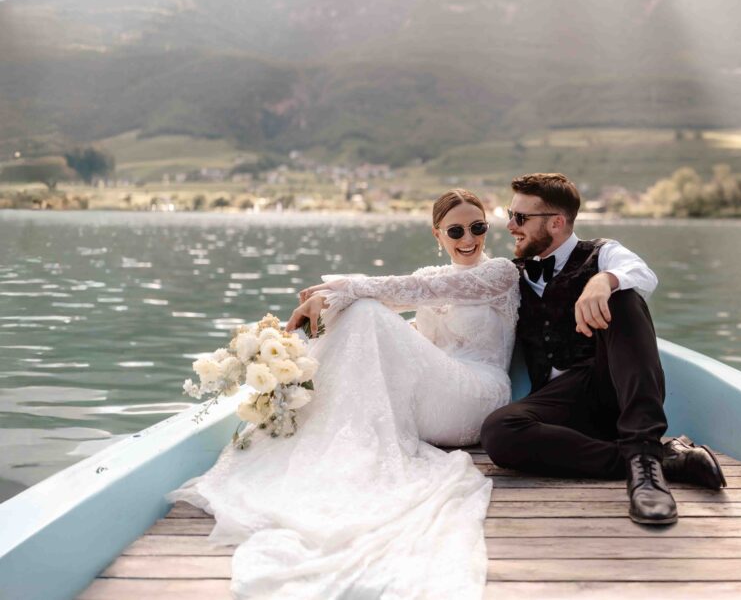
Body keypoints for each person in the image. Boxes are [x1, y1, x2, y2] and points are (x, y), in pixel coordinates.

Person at [168, 189, 519, 599]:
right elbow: (410, 328)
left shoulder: (500, 273)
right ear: (437, 234)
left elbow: (407, 293)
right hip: (437, 396)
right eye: (455, 230)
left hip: (479, 393)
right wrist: (332, 305)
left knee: (367, 307)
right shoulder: (428, 275)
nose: (468, 238)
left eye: (477, 227)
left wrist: (341, 288)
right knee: (363, 313)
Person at [480, 173, 726, 526]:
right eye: (509, 214)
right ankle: (662, 460)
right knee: (498, 432)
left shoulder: (603, 253)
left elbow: (640, 273)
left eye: (520, 218)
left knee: (623, 295)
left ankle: (645, 467)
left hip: (610, 388)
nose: (510, 226)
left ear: (557, 222)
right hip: (559, 404)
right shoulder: (511, 274)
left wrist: (603, 280)